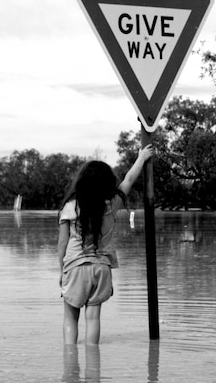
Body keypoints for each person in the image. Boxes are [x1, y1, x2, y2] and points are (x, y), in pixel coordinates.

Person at [57, 145, 154, 345]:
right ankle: (93, 368)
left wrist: (62, 271)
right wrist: (141, 158)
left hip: (75, 267)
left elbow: (62, 244)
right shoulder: (113, 203)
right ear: (107, 183)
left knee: (70, 318)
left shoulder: (70, 207)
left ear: (81, 182)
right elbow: (128, 179)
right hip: (102, 268)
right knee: (93, 318)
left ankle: (70, 364)